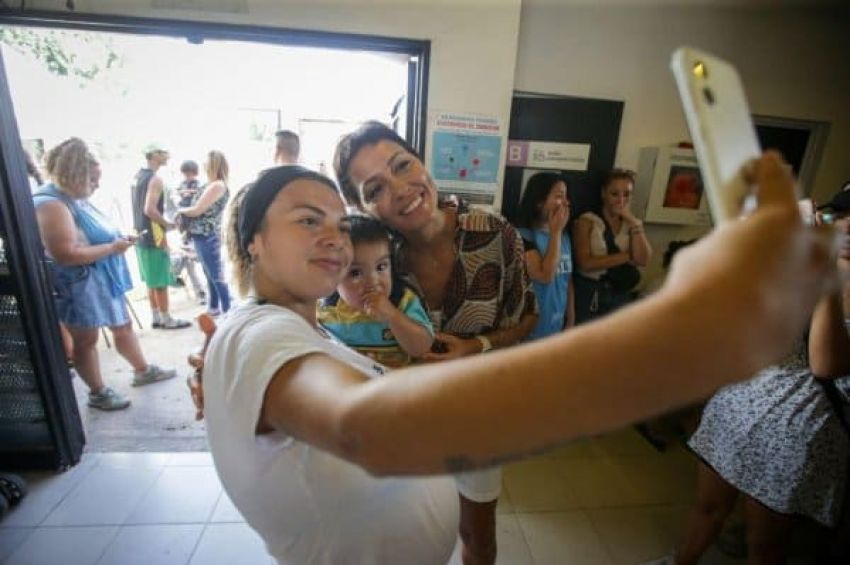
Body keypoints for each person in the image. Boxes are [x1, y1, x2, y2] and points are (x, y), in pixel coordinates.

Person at [199, 151, 834, 565]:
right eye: (309, 221)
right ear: (252, 240)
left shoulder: (296, 331)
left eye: (338, 223)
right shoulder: (264, 336)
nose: (335, 239)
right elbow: (359, 424)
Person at [334, 122, 539, 564]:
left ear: (422, 160)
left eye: (403, 165)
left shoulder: (494, 233)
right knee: (408, 533)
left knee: (476, 534)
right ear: (362, 207)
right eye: (375, 188)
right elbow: (311, 308)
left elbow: (527, 318)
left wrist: (477, 346)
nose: (402, 188)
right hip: (401, 419)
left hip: (478, 410)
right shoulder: (370, 257)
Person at [662, 199, 850, 565]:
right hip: (739, 408)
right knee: (707, 507)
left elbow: (826, 362)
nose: (844, 229)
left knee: (764, 547)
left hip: (798, 433)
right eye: (839, 218)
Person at [33, 139, 177, 411]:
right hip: (77, 285)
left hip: (100, 279)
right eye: (92, 180)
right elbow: (66, 254)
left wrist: (117, 241)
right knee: (86, 340)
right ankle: (98, 392)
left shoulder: (73, 197)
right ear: (74, 174)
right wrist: (112, 247)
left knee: (122, 326)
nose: (96, 185)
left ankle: (142, 370)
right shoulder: (51, 204)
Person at [317, 215, 434, 368]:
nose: (373, 282)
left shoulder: (403, 301)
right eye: (355, 273)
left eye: (381, 267)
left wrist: (392, 316)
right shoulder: (324, 310)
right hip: (349, 385)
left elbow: (421, 348)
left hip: (396, 383)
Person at [572, 168, 652, 323]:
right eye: (614, 194)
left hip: (620, 292)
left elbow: (643, 260)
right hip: (591, 291)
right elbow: (586, 263)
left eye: (626, 194)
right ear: (604, 193)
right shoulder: (587, 221)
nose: (621, 200)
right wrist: (628, 255)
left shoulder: (631, 224)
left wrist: (635, 224)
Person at [131, 144, 190, 329]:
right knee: (161, 280)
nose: (168, 155)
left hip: (139, 234)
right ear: (155, 155)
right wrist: (168, 224)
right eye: (164, 152)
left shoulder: (137, 176)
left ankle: (156, 316)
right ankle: (167, 319)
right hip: (154, 236)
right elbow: (149, 209)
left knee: (151, 279)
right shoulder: (155, 179)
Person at [514, 171, 575, 340]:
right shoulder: (520, 236)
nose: (565, 203)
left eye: (566, 197)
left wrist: (570, 320)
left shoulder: (565, 237)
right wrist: (555, 232)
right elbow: (545, 275)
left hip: (556, 326)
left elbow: (567, 280)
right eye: (559, 196)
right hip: (529, 330)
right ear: (540, 202)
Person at [178, 150, 232, 316]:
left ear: (213, 164)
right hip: (202, 235)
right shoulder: (212, 184)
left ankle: (228, 311)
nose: (203, 165)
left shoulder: (217, 185)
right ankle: (214, 307)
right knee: (210, 273)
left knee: (216, 274)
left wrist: (179, 211)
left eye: (206, 162)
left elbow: (197, 210)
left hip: (208, 235)